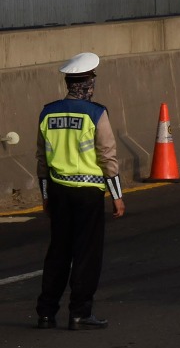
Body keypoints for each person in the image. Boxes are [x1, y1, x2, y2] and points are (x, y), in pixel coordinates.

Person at [35, 52, 122, 330]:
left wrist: (45, 196)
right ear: (87, 83)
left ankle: (46, 313)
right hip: (88, 194)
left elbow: (42, 160)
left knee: (58, 252)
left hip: (59, 192)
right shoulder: (97, 113)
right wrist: (117, 195)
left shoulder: (48, 112)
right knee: (86, 253)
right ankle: (80, 313)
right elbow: (107, 157)